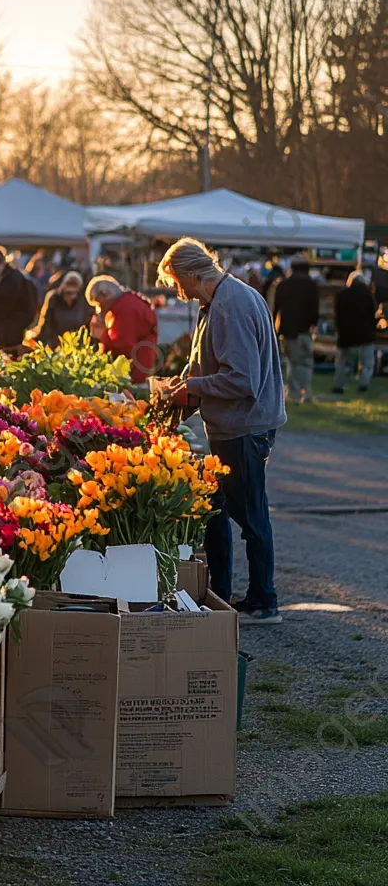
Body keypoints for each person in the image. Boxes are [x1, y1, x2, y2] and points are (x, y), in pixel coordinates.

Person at [155, 237, 286, 625]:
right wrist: (180, 387)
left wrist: (193, 388)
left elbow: (242, 380)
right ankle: (222, 594)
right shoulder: (216, 302)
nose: (178, 290)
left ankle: (264, 601)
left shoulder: (231, 306)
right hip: (231, 426)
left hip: (244, 427)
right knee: (214, 510)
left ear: (194, 273)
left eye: (178, 281)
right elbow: (202, 365)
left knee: (251, 517)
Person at [84, 274, 159, 384]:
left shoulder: (125, 308)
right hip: (140, 363)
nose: (99, 309)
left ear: (105, 295)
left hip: (134, 370)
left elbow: (123, 346)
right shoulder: (126, 302)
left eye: (98, 303)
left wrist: (102, 336)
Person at [273, 255, 320, 403]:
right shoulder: (311, 285)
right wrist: (313, 325)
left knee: (292, 363)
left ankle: (293, 394)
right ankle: (306, 392)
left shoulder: (283, 285)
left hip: (287, 330)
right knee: (305, 362)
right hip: (304, 330)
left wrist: (275, 329)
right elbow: (314, 310)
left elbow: (276, 309)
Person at [333, 271, 378, 395]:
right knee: (366, 360)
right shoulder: (368, 295)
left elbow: (337, 315)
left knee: (342, 359)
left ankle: (338, 384)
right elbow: (373, 313)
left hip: (346, 332)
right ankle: (363, 384)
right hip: (365, 333)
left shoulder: (341, 295)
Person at [34, 270, 93, 349]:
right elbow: (46, 322)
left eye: (74, 292)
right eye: (68, 293)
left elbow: (87, 324)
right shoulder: (53, 298)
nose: (71, 296)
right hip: (55, 342)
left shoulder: (83, 301)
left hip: (77, 344)